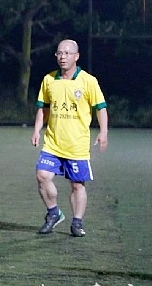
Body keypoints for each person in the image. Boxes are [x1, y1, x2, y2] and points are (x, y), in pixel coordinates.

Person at [31, 39, 108, 237]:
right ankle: (53, 213)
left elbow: (100, 108)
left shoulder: (88, 81)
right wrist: (37, 129)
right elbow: (43, 108)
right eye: (59, 53)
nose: (62, 57)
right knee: (42, 176)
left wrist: (103, 132)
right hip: (53, 143)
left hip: (76, 145)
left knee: (77, 185)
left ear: (76, 56)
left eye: (67, 53)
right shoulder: (49, 80)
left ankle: (77, 223)